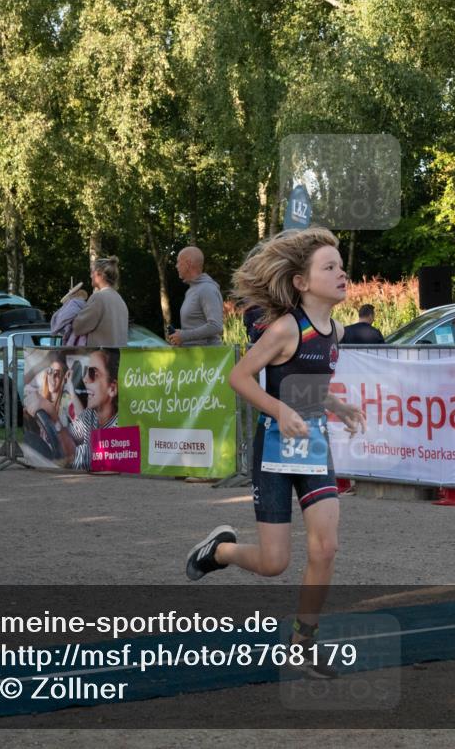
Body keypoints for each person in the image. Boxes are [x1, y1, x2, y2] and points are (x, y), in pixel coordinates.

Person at [184, 227, 366, 679]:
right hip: (274, 449)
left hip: (314, 443)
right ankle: (220, 550)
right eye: (329, 267)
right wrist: (281, 410)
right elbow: (241, 378)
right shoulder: (287, 328)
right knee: (274, 562)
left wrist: (336, 405)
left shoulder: (334, 330)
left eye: (341, 266)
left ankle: (302, 646)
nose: (341, 273)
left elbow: (307, 387)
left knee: (326, 547)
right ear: (302, 282)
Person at [55, 348, 119, 471]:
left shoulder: (120, 425)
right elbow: (69, 434)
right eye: (85, 372)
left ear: (112, 389)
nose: (84, 379)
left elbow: (84, 457)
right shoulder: (91, 415)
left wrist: (51, 415)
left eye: (93, 373)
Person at [168, 246, 224, 347]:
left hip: (211, 359)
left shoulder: (207, 289)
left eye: (178, 262)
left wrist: (184, 335)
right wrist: (180, 335)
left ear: (188, 263)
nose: (176, 266)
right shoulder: (191, 290)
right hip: (196, 358)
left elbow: (216, 326)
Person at [72, 257, 129, 347]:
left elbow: (78, 327)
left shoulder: (98, 297)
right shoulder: (120, 300)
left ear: (100, 275)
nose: (90, 275)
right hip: (117, 358)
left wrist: (72, 305)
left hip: (100, 358)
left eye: (92, 272)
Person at [50, 281, 89, 347]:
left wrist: (56, 329)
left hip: (73, 337)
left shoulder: (73, 303)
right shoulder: (86, 306)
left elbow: (64, 318)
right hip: (80, 339)